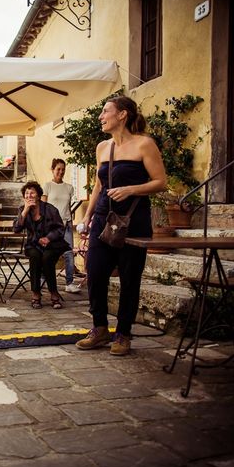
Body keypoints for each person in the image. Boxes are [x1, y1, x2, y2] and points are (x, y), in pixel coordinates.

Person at [76, 96, 167, 356]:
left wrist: (131, 189)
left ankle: (124, 333)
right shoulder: (102, 147)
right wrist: (87, 216)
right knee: (94, 272)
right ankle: (100, 328)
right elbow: (98, 186)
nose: (101, 116)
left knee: (129, 277)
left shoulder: (144, 144)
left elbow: (160, 181)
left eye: (106, 111)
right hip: (103, 218)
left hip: (133, 219)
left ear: (123, 115)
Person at [13, 181, 70, 309]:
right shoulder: (22, 210)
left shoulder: (50, 209)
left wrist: (49, 238)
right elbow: (16, 229)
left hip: (52, 245)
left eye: (32, 192)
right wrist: (25, 211)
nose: (29, 196)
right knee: (34, 256)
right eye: (26, 193)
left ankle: (54, 293)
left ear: (38, 195)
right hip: (33, 245)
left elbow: (60, 229)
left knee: (47, 258)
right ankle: (36, 294)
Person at [43, 158, 81, 293]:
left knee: (69, 253)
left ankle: (69, 283)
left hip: (66, 224)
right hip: (51, 226)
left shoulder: (69, 188)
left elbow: (69, 208)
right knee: (48, 252)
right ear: (52, 170)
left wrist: (71, 222)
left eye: (63, 169)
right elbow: (44, 207)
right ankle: (42, 279)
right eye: (58, 169)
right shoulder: (47, 186)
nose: (61, 172)